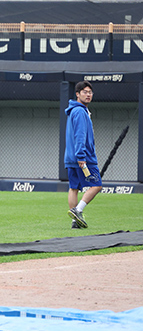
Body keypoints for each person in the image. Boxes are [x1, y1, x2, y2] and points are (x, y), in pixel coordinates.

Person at [65, 81, 101, 229]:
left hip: (71, 158)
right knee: (96, 185)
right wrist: (81, 157)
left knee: (74, 188)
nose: (88, 94)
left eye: (90, 92)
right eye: (85, 92)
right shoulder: (80, 111)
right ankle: (78, 211)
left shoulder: (74, 110)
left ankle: (75, 222)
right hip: (83, 158)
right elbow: (80, 136)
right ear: (77, 94)